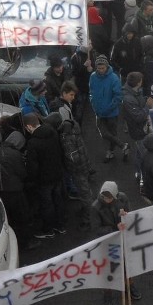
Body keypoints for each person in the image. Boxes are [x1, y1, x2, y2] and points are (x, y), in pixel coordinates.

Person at [91, 181, 141, 305]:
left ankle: (129, 286)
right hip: (108, 243)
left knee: (126, 265)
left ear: (115, 195)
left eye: (109, 197)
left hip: (122, 239)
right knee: (109, 269)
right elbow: (96, 229)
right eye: (104, 197)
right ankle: (107, 294)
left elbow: (130, 214)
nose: (106, 200)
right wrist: (114, 228)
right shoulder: (95, 207)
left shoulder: (122, 198)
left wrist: (125, 215)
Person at [0, 117, 40, 251]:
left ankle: (14, 241)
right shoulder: (14, 154)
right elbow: (22, 173)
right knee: (23, 217)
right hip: (15, 191)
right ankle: (27, 242)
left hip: (1, 191)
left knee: (11, 219)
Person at [54, 83, 95, 230]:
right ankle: (86, 212)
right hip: (81, 163)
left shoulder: (68, 131)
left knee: (85, 192)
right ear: (64, 93)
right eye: (71, 95)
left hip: (77, 166)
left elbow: (71, 152)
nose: (73, 98)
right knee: (85, 190)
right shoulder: (64, 112)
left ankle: (88, 219)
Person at [23, 112, 66, 237]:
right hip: (57, 174)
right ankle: (61, 225)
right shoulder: (52, 132)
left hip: (44, 180)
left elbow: (33, 166)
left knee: (47, 204)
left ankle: (48, 229)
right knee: (58, 200)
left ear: (29, 126)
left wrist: (31, 179)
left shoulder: (33, 143)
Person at [89, 55, 125, 162]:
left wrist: (109, 108)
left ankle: (110, 152)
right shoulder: (93, 76)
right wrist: (92, 103)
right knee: (104, 134)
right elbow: (91, 92)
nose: (100, 70)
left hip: (111, 113)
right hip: (98, 112)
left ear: (106, 66)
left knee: (112, 133)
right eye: (98, 68)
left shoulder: (114, 78)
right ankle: (122, 145)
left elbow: (118, 96)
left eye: (102, 68)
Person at [122, 72, 153, 189]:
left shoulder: (134, 91)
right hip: (138, 131)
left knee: (140, 153)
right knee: (145, 156)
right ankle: (143, 183)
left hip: (140, 130)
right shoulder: (128, 98)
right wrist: (147, 105)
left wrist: (144, 100)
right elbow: (139, 116)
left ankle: (138, 173)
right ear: (138, 82)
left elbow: (139, 103)